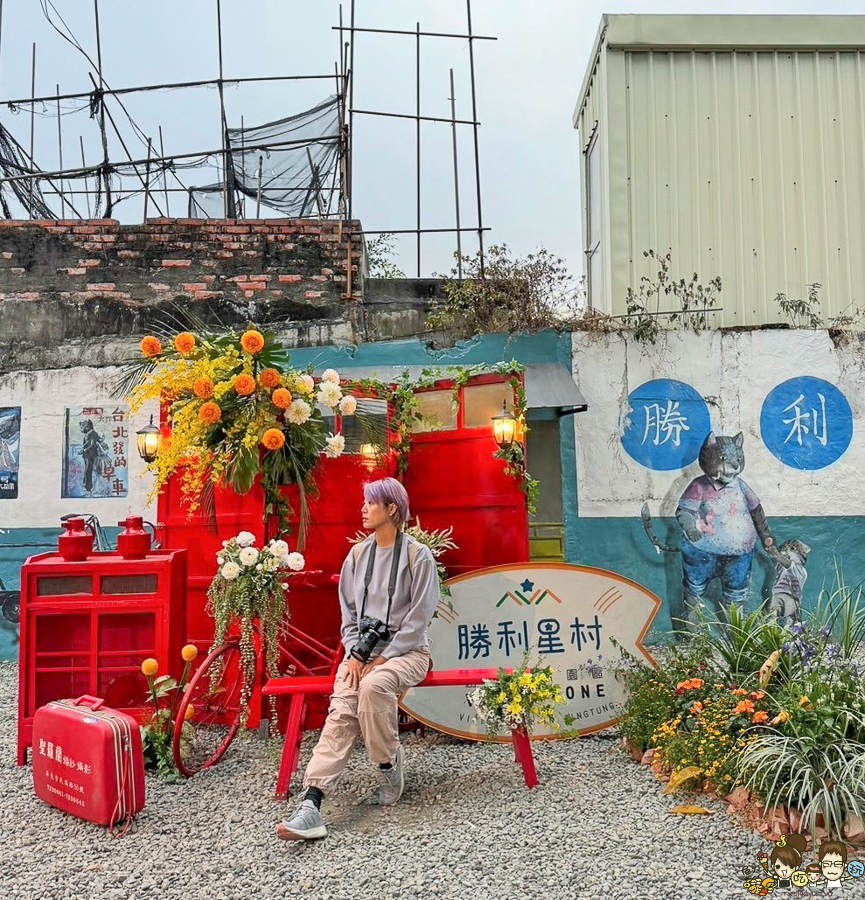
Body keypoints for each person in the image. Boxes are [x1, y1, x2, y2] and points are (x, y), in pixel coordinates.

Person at [276, 477, 440, 841]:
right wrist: (356, 654)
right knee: (343, 706)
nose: (363, 509)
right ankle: (311, 803)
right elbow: (348, 615)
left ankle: (387, 763)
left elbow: (419, 618)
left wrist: (385, 657)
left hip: (409, 651)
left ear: (392, 509)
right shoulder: (357, 556)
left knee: (374, 685)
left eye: (371, 503)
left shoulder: (417, 556)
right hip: (362, 656)